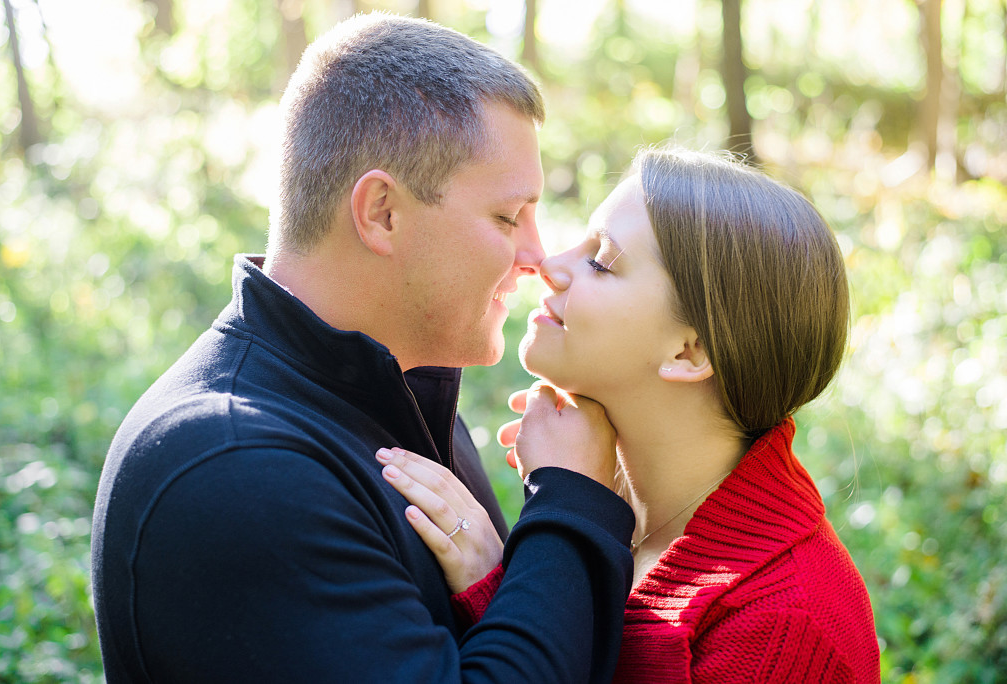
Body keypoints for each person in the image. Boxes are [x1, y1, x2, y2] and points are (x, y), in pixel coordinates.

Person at [90, 13, 635, 683]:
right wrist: (571, 499)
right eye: (506, 216)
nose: (538, 256)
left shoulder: (393, 390)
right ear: (381, 211)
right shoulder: (234, 469)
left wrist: (501, 576)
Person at [382, 146, 882, 682]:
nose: (550, 266)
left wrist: (500, 581)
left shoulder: (786, 625)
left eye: (602, 260)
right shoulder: (632, 517)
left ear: (688, 353)